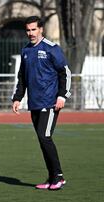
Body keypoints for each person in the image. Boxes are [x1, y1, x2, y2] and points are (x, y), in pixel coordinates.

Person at [12, 16, 71, 190]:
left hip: (50, 102)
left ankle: (58, 176)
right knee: (41, 138)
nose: (30, 33)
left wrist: (62, 96)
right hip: (34, 103)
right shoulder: (26, 51)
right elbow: (22, 77)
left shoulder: (52, 49)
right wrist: (17, 97)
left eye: (33, 29)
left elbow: (65, 73)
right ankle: (52, 178)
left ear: (41, 30)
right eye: (28, 30)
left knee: (44, 137)